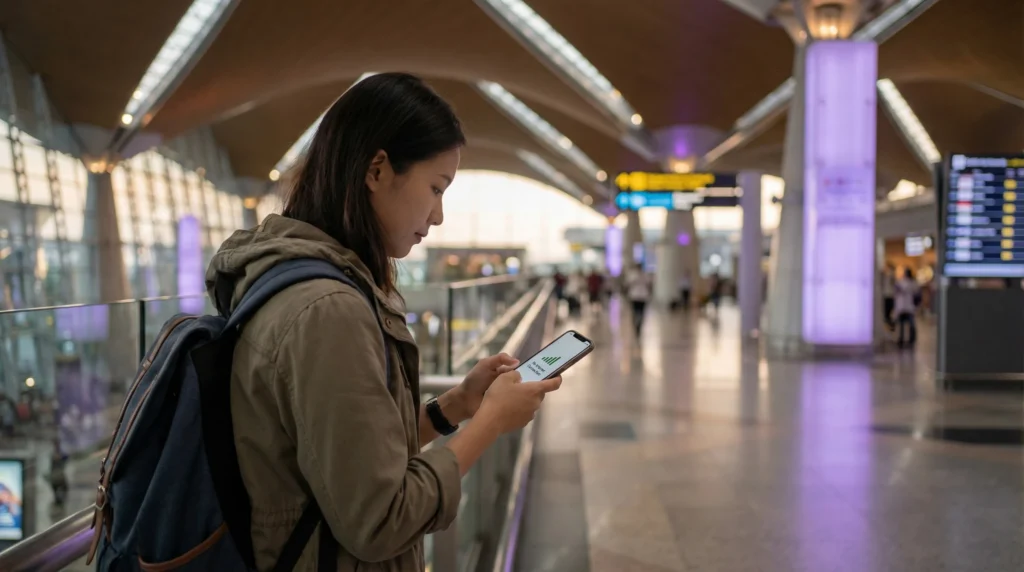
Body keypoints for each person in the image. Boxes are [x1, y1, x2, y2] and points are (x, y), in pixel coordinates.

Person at [205, 73, 562, 571]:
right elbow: (380, 519)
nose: (438, 216)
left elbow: (349, 461)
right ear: (376, 169)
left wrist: (456, 406)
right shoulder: (327, 310)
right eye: (436, 188)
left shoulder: (298, 280)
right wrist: (489, 423)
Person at [894, 267, 919, 348]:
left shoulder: (912, 283)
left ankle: (910, 339)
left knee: (910, 324)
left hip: (908, 307)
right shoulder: (902, 282)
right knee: (902, 324)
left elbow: (916, 294)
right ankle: (902, 339)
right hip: (903, 307)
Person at [625, 263, 652, 338]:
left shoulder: (633, 275)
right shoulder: (644, 275)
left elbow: (627, 286)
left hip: (637, 296)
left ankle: (638, 324)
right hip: (638, 296)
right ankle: (637, 324)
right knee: (639, 312)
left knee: (638, 312)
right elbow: (649, 286)